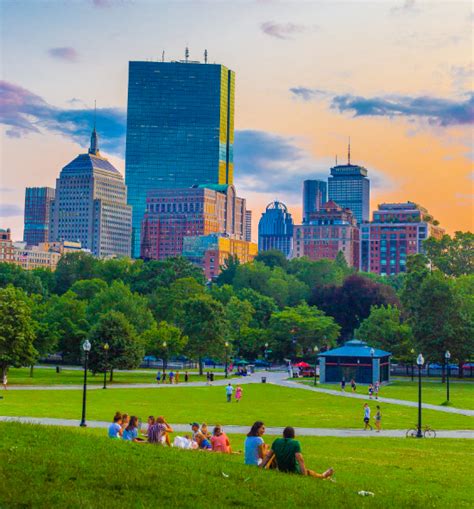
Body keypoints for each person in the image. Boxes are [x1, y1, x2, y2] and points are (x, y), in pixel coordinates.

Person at [261, 427, 333, 479]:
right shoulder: (295, 443)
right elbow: (300, 459)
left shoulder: (277, 441)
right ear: (294, 435)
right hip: (292, 470)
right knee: (309, 472)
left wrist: (260, 467)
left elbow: (268, 456)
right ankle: (323, 475)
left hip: (281, 469)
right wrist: (304, 474)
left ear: (283, 434)